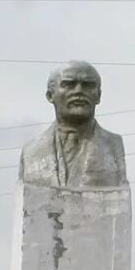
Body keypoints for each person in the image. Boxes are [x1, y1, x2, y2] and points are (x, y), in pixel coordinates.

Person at [19, 61, 127, 190]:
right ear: (50, 95)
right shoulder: (31, 151)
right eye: (69, 84)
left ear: (98, 96)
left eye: (88, 85)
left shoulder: (113, 145)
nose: (79, 91)